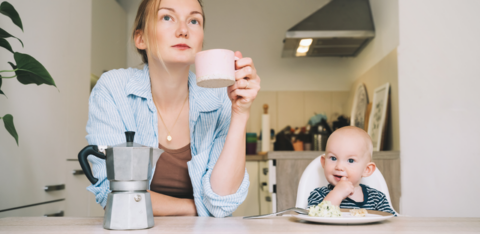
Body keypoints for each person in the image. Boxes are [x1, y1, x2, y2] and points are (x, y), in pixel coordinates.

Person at [85, 0, 260, 218]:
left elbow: (222, 203)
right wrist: (198, 208)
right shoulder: (113, 89)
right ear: (141, 39)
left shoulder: (220, 98)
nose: (184, 30)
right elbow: (115, 195)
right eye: (167, 17)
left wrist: (241, 113)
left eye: (194, 20)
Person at [307, 126, 396, 215]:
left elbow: (391, 222)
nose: (339, 167)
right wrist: (337, 194)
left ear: (366, 170)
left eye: (350, 160)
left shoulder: (377, 199)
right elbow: (315, 217)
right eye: (333, 158)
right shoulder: (318, 195)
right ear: (324, 162)